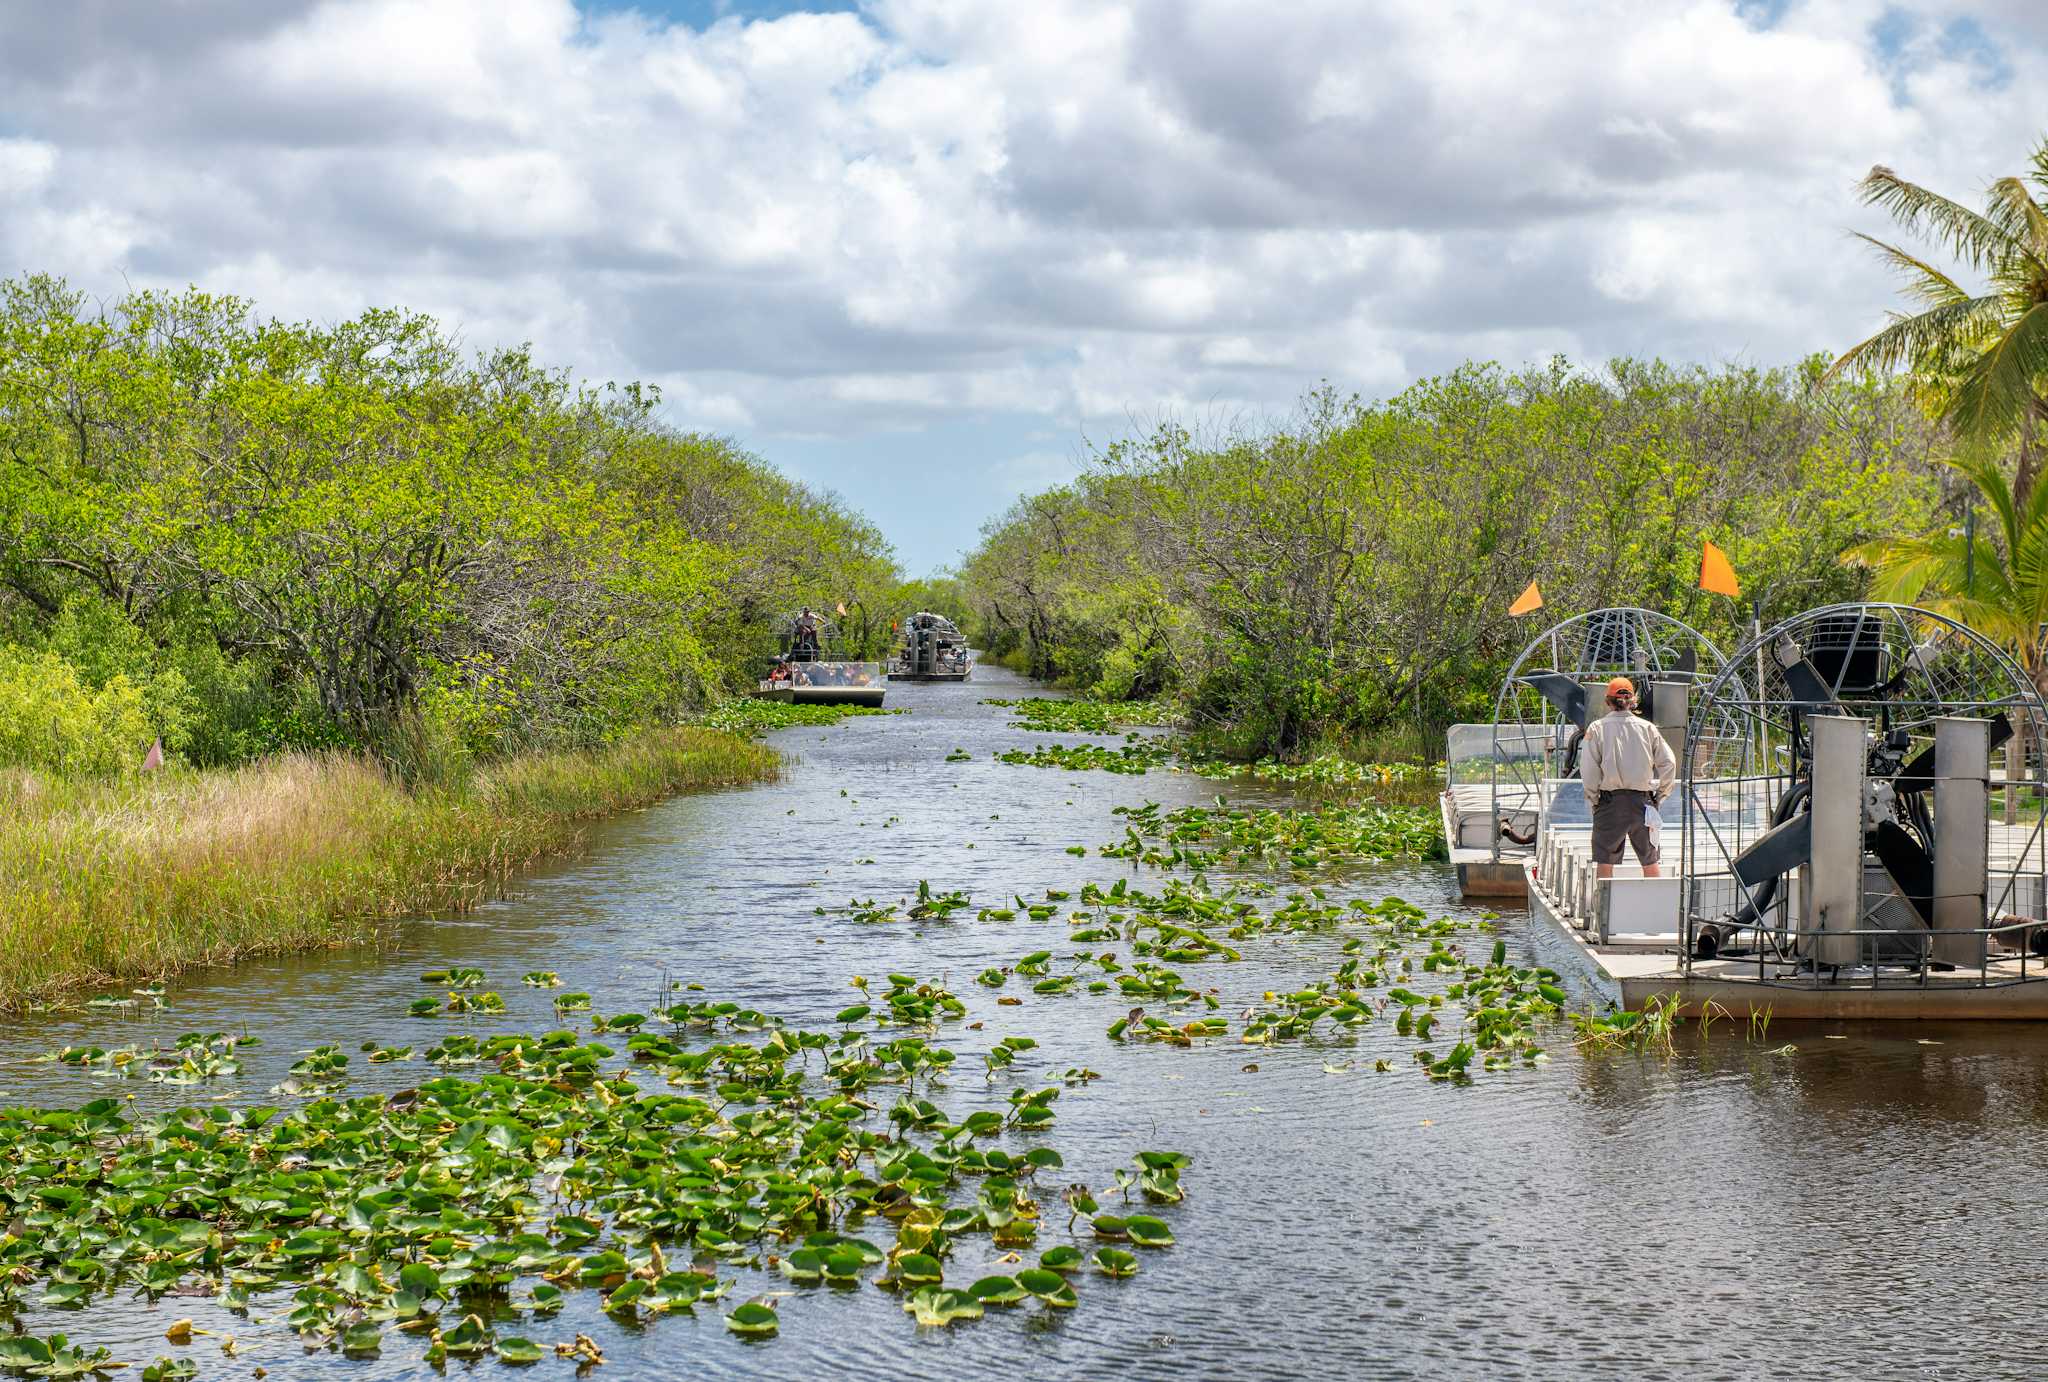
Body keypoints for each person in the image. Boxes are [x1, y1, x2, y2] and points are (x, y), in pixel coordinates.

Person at [1580, 676, 1677, 879]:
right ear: (1633, 701)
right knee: (1650, 860)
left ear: (1607, 702)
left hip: (1608, 802)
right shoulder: (1648, 728)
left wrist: (1593, 800)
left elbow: (1589, 770)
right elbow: (1669, 763)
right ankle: (1655, 907)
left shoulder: (1596, 728)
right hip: (1642, 802)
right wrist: (1660, 796)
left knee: (1605, 861)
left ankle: (1603, 908)